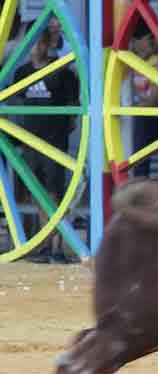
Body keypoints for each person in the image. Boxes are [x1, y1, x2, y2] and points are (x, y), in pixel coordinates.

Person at [13, 31, 79, 263]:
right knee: (38, 194)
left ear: (47, 43)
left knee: (55, 195)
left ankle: (57, 246)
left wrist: (61, 133)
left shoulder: (62, 72)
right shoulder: (21, 73)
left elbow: (73, 109)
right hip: (31, 142)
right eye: (31, 43)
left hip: (54, 142)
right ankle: (44, 244)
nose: (36, 48)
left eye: (40, 42)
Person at [130, 22, 158, 181]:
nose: (135, 46)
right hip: (142, 113)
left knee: (140, 120)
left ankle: (140, 177)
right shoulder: (132, 62)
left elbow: (153, 99)